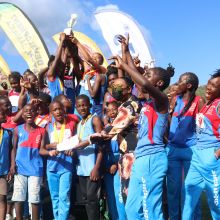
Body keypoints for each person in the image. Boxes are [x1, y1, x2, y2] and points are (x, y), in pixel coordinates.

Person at [110, 34, 174, 219]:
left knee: (150, 209)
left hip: (153, 158)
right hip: (141, 158)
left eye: (148, 74)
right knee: (132, 208)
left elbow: (143, 82)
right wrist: (126, 50)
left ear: (159, 84)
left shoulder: (161, 101)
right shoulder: (145, 101)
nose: (143, 77)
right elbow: (141, 82)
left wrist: (124, 65)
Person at [182, 70, 220, 220]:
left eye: (214, 86)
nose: (209, 87)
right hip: (198, 156)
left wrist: (216, 153)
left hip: (211, 156)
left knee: (215, 200)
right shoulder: (206, 104)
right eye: (209, 83)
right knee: (189, 192)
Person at [166, 72, 204, 220]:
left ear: (188, 85)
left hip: (192, 149)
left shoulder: (199, 101)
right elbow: (168, 121)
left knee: (190, 189)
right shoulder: (175, 100)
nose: (176, 83)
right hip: (173, 149)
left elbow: (202, 128)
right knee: (173, 190)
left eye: (180, 81)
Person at [40, 101, 78, 220]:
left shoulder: (71, 124)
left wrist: (72, 150)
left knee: (64, 196)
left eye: (60, 109)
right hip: (52, 167)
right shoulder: (48, 127)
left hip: (66, 167)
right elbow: (43, 147)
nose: (58, 111)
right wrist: (51, 146)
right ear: (51, 113)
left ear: (64, 110)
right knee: (54, 196)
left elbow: (77, 142)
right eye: (54, 110)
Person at [10, 104, 45, 220]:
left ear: (36, 113)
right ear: (22, 114)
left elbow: (42, 149)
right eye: (26, 111)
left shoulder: (42, 131)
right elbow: (13, 148)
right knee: (18, 197)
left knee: (34, 198)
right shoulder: (17, 129)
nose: (29, 113)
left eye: (32, 110)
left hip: (36, 169)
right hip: (20, 169)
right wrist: (12, 164)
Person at [75, 94, 103, 220]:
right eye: (79, 106)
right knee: (86, 198)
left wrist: (97, 167)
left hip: (92, 167)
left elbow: (102, 144)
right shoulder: (79, 123)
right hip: (82, 168)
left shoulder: (95, 119)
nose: (82, 108)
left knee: (92, 199)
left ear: (90, 105)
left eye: (84, 105)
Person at [103, 101, 120, 219]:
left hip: (119, 162)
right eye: (108, 110)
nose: (111, 112)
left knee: (120, 194)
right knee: (111, 194)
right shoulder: (106, 128)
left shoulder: (123, 126)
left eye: (114, 109)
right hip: (107, 163)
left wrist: (116, 163)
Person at [0, 109, 13, 220]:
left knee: (2, 198)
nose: (5, 115)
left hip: (2, 171)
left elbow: (11, 151)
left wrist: (11, 167)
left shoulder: (8, 133)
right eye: (2, 113)